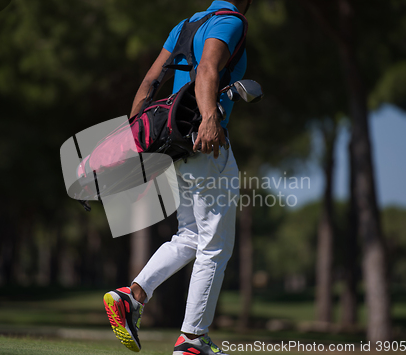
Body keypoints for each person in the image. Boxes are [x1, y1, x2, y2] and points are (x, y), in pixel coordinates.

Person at [103, 1, 252, 354]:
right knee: (215, 246)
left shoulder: (188, 23)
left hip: (175, 146)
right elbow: (207, 72)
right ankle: (193, 340)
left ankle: (131, 297)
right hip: (204, 144)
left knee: (190, 236)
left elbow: (149, 81)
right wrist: (209, 119)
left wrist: (135, 141)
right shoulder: (230, 21)